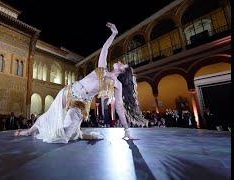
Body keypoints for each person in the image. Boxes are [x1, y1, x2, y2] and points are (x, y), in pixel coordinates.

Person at [14, 22, 147, 143]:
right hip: (70, 91)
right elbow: (105, 49)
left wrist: (127, 130)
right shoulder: (103, 68)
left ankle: (77, 132)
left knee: (65, 136)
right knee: (50, 114)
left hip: (81, 104)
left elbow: (119, 107)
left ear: (123, 72)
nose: (120, 62)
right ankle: (28, 131)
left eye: (123, 64)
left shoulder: (117, 85)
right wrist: (114, 34)